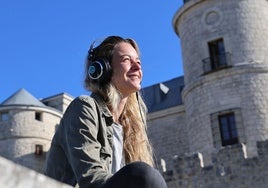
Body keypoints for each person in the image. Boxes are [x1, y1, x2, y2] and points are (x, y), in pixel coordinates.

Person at [44, 36, 167, 188]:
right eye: (127, 60)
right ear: (103, 69)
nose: (137, 67)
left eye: (139, 62)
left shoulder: (130, 127)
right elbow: (91, 178)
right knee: (144, 175)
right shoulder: (84, 107)